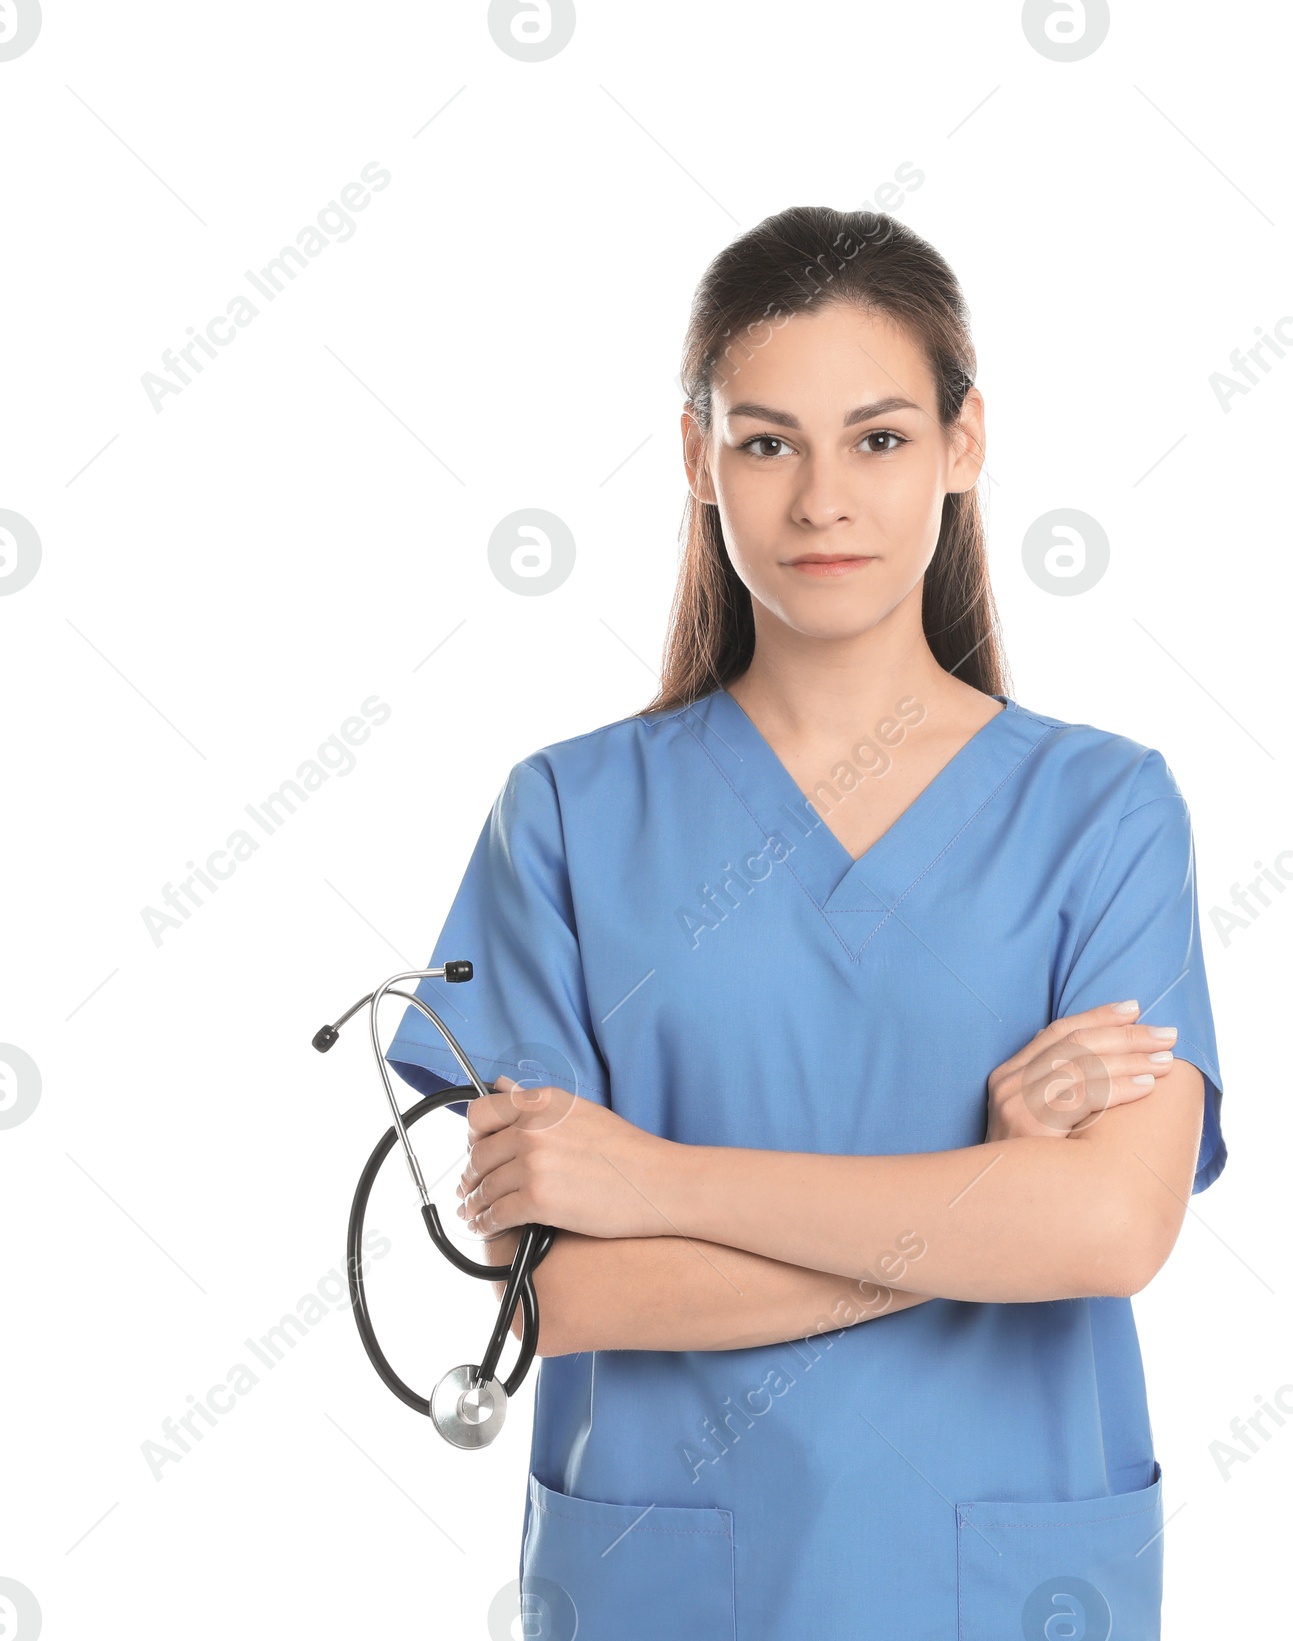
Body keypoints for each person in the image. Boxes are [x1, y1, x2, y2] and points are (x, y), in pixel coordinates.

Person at [384, 204, 1225, 1641]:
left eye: (880, 438)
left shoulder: (1106, 809)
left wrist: (654, 1175)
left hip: (1001, 1580)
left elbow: (1102, 1225)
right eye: (768, 441)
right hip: (674, 1578)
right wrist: (978, 1206)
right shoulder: (570, 818)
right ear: (701, 460)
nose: (823, 498)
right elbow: (563, 1297)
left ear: (964, 447)